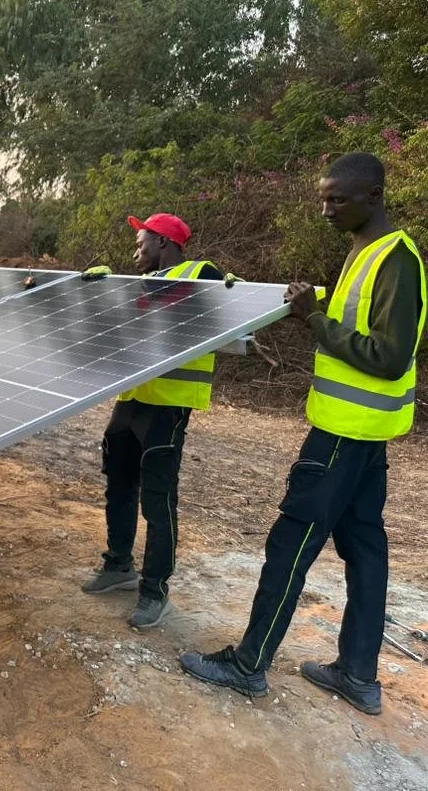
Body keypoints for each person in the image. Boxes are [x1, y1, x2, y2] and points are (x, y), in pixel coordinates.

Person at [180, 153, 425, 715]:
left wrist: (312, 319)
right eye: (323, 198)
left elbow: (390, 356)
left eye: (337, 199)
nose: (326, 209)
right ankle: (358, 675)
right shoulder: (365, 250)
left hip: (343, 435)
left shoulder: (395, 260)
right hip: (363, 436)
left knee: (291, 544)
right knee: (366, 550)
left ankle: (247, 665)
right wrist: (315, 308)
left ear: (375, 195)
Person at [80, 213, 224, 628]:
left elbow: (220, 299)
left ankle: (154, 590)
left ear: (163, 242)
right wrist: (101, 290)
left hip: (169, 405)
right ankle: (118, 565)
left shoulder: (201, 273)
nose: (135, 251)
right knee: (119, 483)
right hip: (133, 398)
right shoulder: (140, 285)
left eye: (141, 242)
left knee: (158, 500)